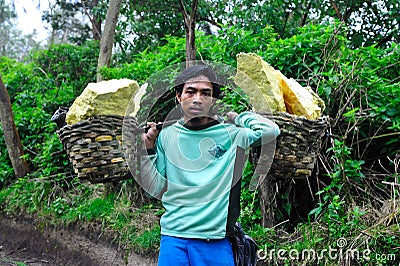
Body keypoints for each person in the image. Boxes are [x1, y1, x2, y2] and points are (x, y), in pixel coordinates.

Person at [140, 65, 280, 265]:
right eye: (190, 91)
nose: (198, 98)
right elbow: (155, 187)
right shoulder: (167, 135)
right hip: (174, 236)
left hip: (215, 239)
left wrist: (239, 117)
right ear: (178, 97)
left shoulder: (231, 134)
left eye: (205, 93)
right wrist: (150, 148)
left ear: (213, 99)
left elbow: (270, 130)